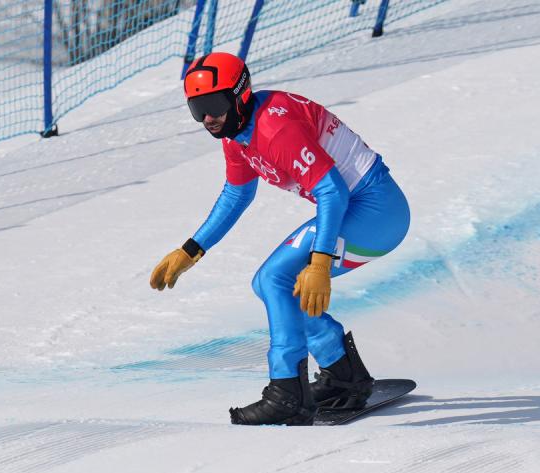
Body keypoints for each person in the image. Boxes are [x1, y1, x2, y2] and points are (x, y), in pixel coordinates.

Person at [149, 52, 410, 426]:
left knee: (277, 279)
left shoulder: (274, 126)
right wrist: (192, 250)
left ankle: (289, 392)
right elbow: (237, 193)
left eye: (213, 104)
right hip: (358, 208)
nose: (207, 118)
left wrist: (319, 262)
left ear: (240, 95)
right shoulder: (236, 130)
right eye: (197, 108)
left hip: (376, 211)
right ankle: (342, 374)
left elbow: (332, 191)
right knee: (269, 282)